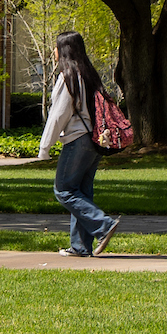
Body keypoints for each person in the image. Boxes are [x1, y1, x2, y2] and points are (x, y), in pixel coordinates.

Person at [37, 31, 119, 258]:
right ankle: (81, 247)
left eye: (56, 47)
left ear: (64, 50)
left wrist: (44, 148)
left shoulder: (69, 77)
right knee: (81, 192)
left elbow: (58, 115)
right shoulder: (90, 75)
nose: (53, 51)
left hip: (77, 140)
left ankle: (103, 225)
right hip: (95, 140)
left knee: (63, 190)